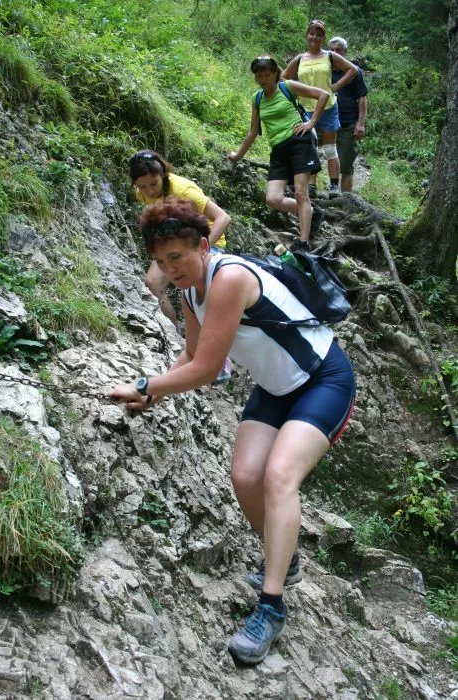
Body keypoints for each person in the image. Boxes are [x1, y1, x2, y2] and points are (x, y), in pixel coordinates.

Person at [109, 200, 356, 665]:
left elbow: (206, 370)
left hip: (323, 379)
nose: (170, 269)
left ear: (203, 246)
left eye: (177, 257)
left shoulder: (229, 278)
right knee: (244, 477)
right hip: (276, 388)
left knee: (278, 476)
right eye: (161, 261)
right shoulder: (191, 292)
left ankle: (272, 606)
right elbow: (192, 355)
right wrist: (153, 393)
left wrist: (145, 385)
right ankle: (285, 557)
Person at [129, 150, 232, 383]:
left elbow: (223, 218)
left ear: (163, 174)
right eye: (142, 187)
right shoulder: (142, 192)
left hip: (206, 244)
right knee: (153, 283)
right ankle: (175, 336)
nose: (148, 191)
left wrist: (202, 249)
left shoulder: (183, 190)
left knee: (200, 295)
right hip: (172, 246)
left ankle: (218, 359)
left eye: (153, 184)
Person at [228, 56, 329, 247]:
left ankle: (303, 242)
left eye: (267, 74)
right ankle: (312, 212)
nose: (264, 79)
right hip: (278, 149)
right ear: (255, 77)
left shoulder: (287, 87)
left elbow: (323, 95)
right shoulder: (257, 98)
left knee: (301, 193)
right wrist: (238, 156)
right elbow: (253, 132)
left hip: (300, 141)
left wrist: (312, 122)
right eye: (260, 76)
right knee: (273, 199)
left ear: (275, 73)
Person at [282, 19, 358, 199]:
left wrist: (337, 85)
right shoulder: (299, 59)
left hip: (328, 107)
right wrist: (297, 90)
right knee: (311, 147)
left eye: (318, 34)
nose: (314, 37)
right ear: (307, 35)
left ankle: (334, 186)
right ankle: (312, 186)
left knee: (330, 149)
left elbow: (352, 70)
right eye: (312, 33)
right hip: (306, 108)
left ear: (323, 37)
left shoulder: (329, 56)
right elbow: (284, 77)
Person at [328, 36, 368, 193]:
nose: (334, 53)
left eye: (338, 50)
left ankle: (346, 199)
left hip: (348, 125)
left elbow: (362, 97)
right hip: (327, 124)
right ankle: (326, 193)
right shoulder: (325, 71)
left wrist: (360, 123)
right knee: (324, 159)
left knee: (346, 165)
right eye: (331, 50)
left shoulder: (354, 72)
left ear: (345, 52)